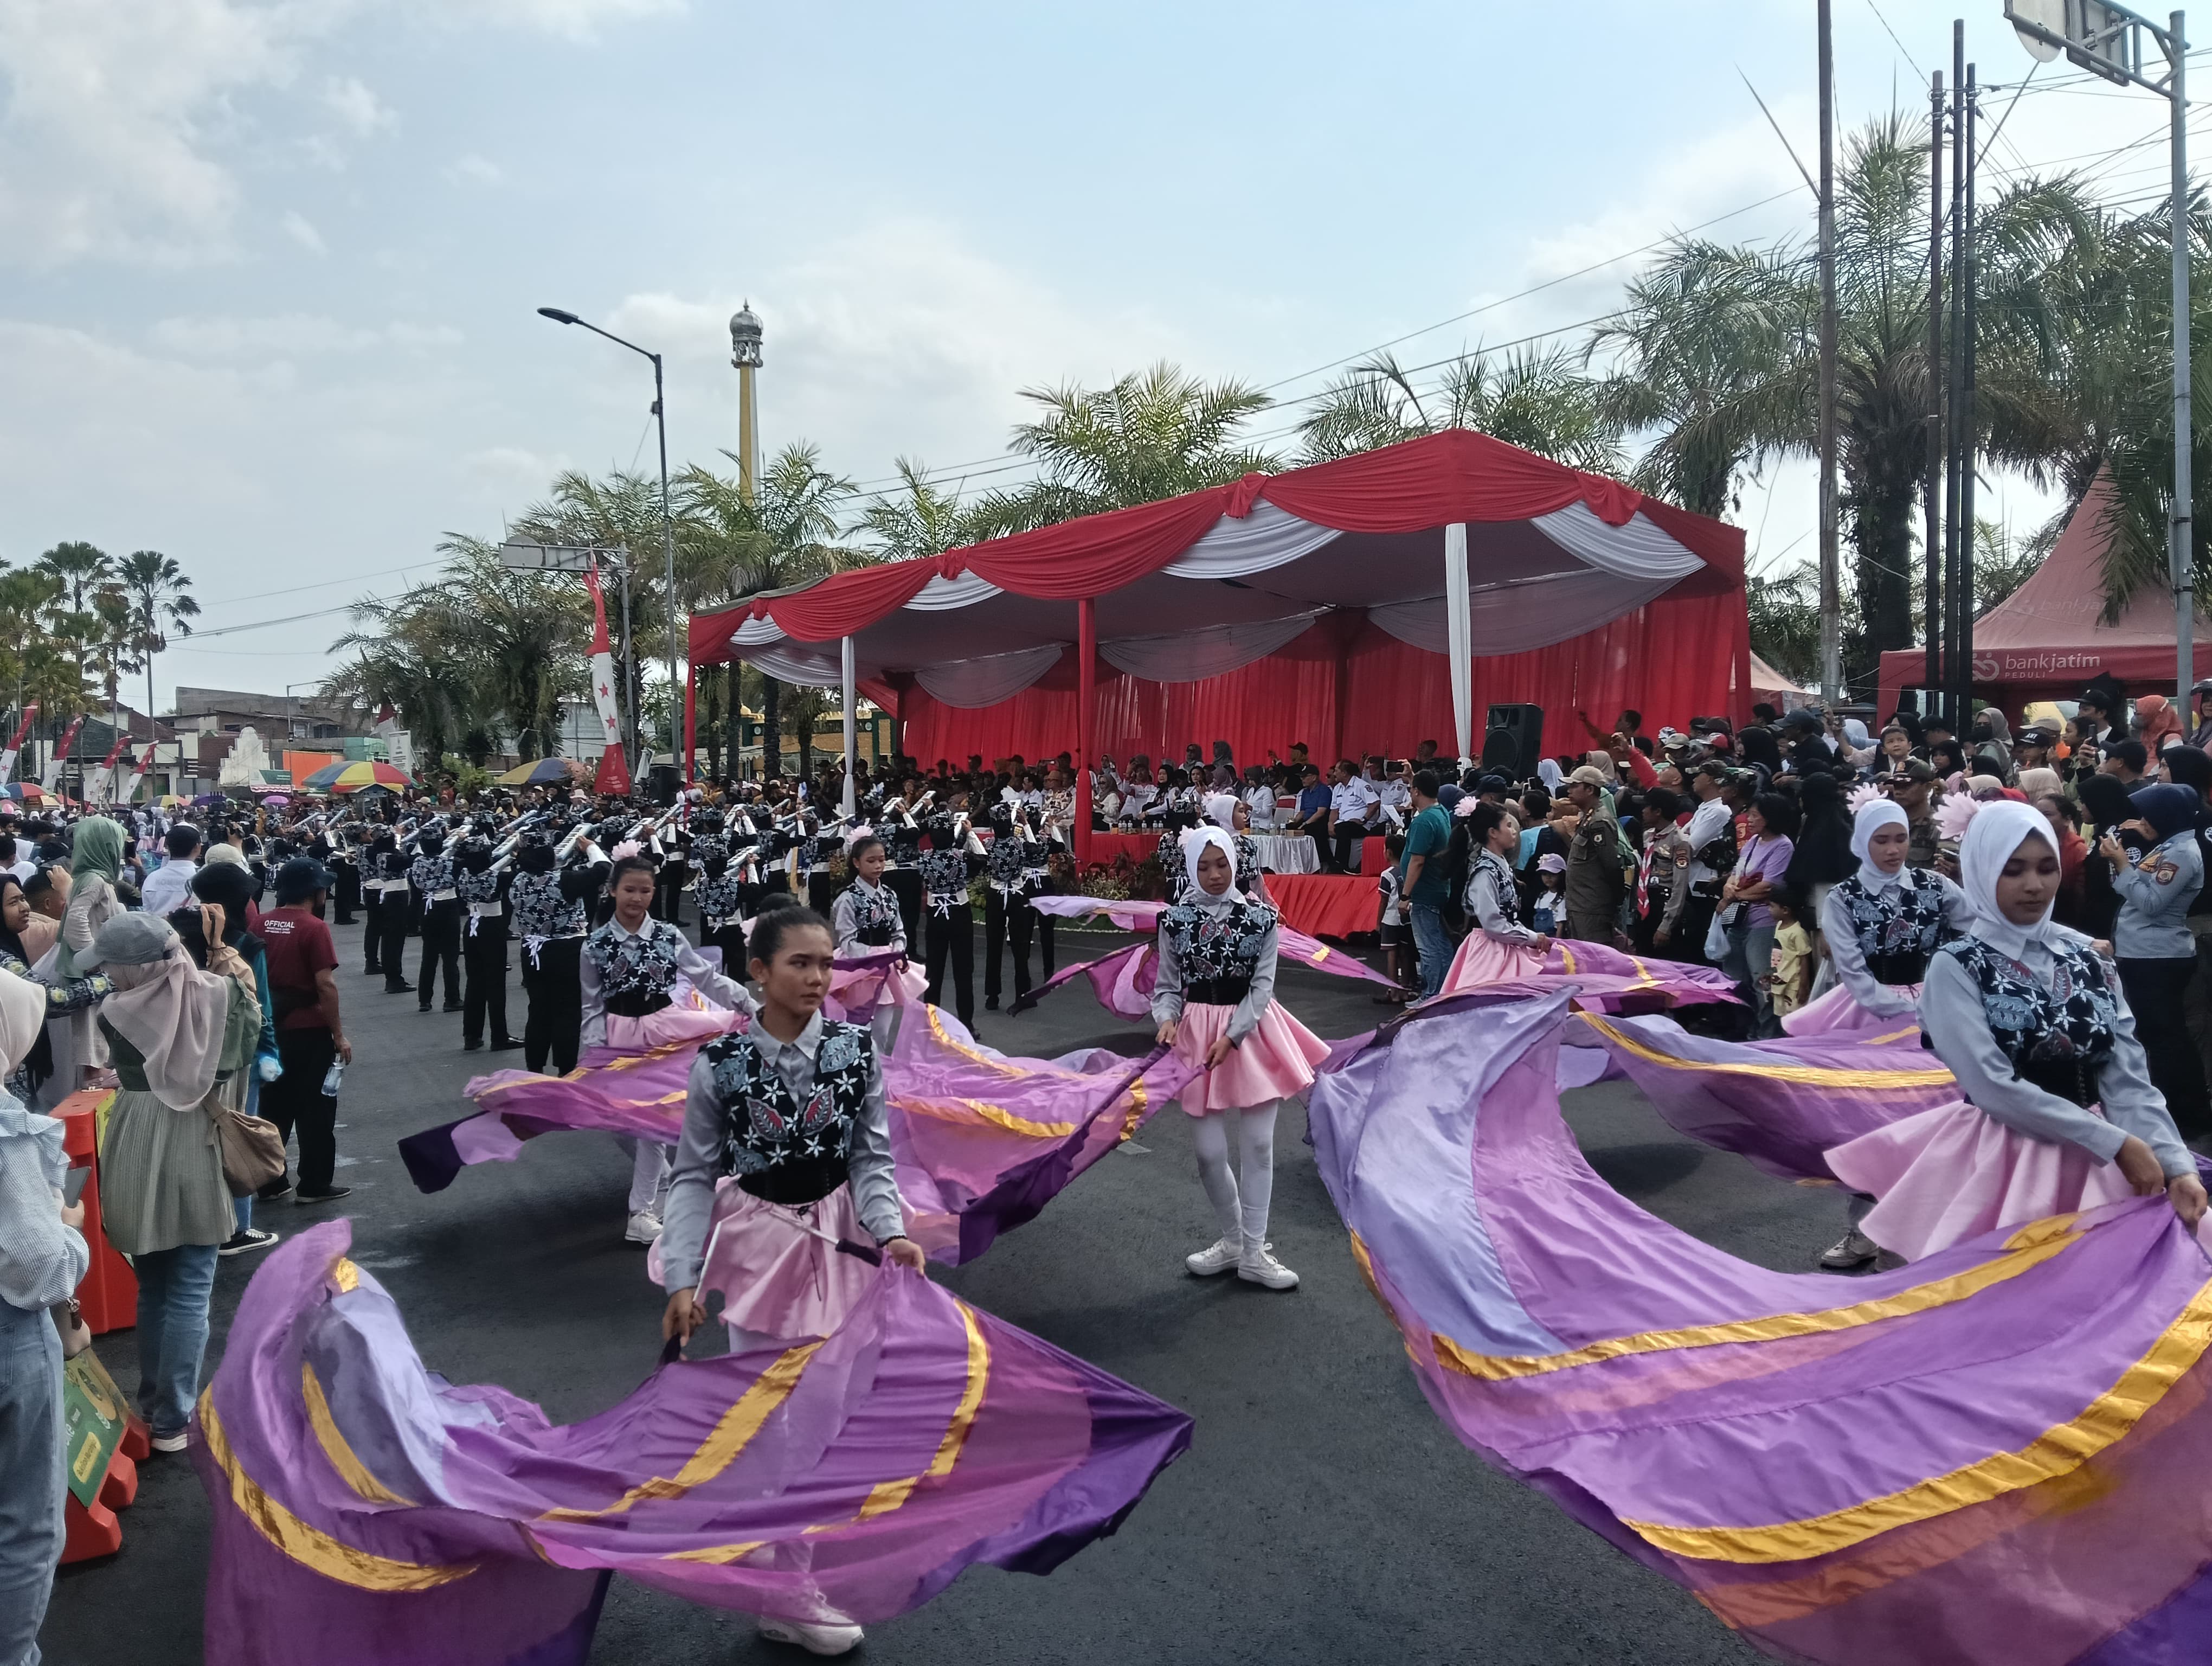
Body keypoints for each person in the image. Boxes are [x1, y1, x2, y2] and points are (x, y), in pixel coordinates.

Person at [659, 904, 924, 1661]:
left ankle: (784, 1559)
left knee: (828, 1419)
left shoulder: (854, 1049)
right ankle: (789, 1590)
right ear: (759, 972)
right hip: (758, 1251)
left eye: (826, 963)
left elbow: (872, 1157)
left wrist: (892, 1230)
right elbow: (690, 1179)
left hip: (841, 1245)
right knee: (778, 1425)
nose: (817, 977)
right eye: (800, 964)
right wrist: (683, 1279)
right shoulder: (719, 1065)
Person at [1828, 802, 2208, 1261]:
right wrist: (2115, 1142)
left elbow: (2127, 1076)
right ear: (1983, 870)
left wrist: (2176, 1164)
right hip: (2006, 1159)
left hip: (2103, 1163)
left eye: (2048, 868)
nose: (2035, 885)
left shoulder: (2087, 961)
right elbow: (1992, 1084)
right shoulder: (1958, 966)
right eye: (2014, 871)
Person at [81, 913, 256, 1452]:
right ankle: (173, 1420)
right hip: (196, 1136)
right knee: (190, 1287)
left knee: (154, 1284)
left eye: (112, 966)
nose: (108, 975)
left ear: (135, 969)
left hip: (135, 1138)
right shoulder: (222, 998)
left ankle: (156, 1406)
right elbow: (247, 1042)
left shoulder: (114, 1013)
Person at [1153, 827, 1326, 1292]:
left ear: (1235, 863)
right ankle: (1232, 1241)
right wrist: (1167, 1018)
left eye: (1222, 864)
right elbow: (1168, 986)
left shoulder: (1262, 919)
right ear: (1190, 868)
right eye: (1204, 866)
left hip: (1252, 1032)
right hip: (1195, 1035)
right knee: (1209, 1154)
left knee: (1259, 1147)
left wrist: (1233, 1035)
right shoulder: (1174, 920)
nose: (1214, 874)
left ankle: (1254, 1250)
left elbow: (1263, 986)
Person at [583, 855, 754, 1246]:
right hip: (619, 1037)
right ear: (612, 891)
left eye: (645, 891)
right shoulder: (594, 945)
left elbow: (706, 977)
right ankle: (661, 1189)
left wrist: (748, 1004)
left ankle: (641, 1212)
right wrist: (593, 1055)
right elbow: (591, 1005)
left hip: (667, 1032)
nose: (637, 898)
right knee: (624, 1124)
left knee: (654, 1127)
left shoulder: (667, 935)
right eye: (629, 890)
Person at [0, 972, 88, 1666]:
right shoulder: (8, 1131)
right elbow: (36, 1266)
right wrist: (72, 1231)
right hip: (8, 1337)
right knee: (27, 1525)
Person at [2101, 783, 2211, 1142]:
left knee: (2166, 1038)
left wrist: (2121, 863)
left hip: (2159, 957)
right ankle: (2185, 1108)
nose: (2142, 822)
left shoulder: (2182, 852)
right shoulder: (2168, 846)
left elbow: (2150, 903)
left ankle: (2183, 1113)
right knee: (2161, 1035)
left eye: (2149, 815)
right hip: (2143, 953)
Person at [189, 861, 283, 1256]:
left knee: (202, 1140)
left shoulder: (184, 936)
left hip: (193, 1054)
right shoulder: (247, 945)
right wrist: (270, 1052)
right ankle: (238, 1227)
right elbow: (261, 1008)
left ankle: (204, 1220)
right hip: (241, 1057)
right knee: (238, 1136)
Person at [256, 858, 353, 1209]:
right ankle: (313, 1184)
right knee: (316, 1111)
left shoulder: (261, 923)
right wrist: (339, 1035)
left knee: (272, 1109)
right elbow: (325, 986)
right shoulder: (314, 928)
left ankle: (269, 1181)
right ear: (314, 891)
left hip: (270, 1031)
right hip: (309, 1033)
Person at [509, 828, 610, 1077]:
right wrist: (591, 849)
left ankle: (534, 1067)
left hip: (532, 951)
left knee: (539, 1010)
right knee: (567, 1011)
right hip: (567, 951)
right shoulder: (563, 880)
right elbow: (604, 870)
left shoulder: (517, 880)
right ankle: (566, 1069)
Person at [828, 835, 925, 1043]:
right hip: (857, 967)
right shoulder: (847, 898)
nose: (878, 865)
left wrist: (897, 952)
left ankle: (879, 1072)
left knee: (881, 1033)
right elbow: (846, 940)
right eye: (871, 861)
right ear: (856, 862)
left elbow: (899, 931)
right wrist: (874, 958)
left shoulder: (889, 894)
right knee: (856, 1030)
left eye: (881, 860)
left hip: (886, 964)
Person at [1719, 792, 1798, 1037]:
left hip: (1762, 922)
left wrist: (1734, 896)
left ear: (1770, 818)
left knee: (1762, 979)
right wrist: (1729, 887)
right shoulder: (1753, 843)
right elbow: (1737, 872)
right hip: (1739, 919)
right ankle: (1743, 1029)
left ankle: (1767, 1034)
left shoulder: (1783, 845)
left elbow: (1769, 885)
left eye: (1755, 815)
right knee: (1735, 978)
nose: (1750, 820)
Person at [453, 832, 519, 1053]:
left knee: (474, 982)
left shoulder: (463, 874)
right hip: (492, 927)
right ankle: (499, 1035)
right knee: (496, 984)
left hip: (471, 926)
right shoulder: (497, 878)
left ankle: (471, 1035)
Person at [917, 815, 986, 1027]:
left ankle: (931, 1023)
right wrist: (970, 834)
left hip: (935, 913)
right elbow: (983, 858)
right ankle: (967, 1023)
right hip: (959, 912)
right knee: (963, 971)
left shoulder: (924, 858)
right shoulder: (961, 856)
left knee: (934, 971)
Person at [1396, 770, 1454, 1000]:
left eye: (1412, 789)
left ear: (1417, 792)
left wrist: (1405, 895)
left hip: (1423, 893)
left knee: (1428, 948)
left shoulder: (1423, 822)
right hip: (1438, 889)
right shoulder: (1441, 813)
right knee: (1440, 944)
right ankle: (1445, 990)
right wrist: (1413, 778)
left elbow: (1417, 861)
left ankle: (1431, 995)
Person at [1561, 766, 1625, 944]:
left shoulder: (1599, 822)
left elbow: (1612, 865)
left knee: (1594, 960)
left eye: (1575, 786)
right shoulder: (1588, 818)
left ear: (1590, 789)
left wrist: (1614, 901)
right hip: (1580, 905)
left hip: (1592, 907)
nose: (1569, 790)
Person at [408, 822, 464, 1014]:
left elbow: (415, 889)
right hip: (448, 906)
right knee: (450, 956)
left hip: (427, 907)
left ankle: (425, 1000)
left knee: (429, 955)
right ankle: (452, 998)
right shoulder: (450, 862)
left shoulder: (416, 863)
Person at [1764, 890, 1814, 1022]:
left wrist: (1804, 986)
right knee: (1783, 1017)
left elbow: (1805, 959)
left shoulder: (1798, 933)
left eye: (1772, 907)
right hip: (1780, 981)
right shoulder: (1779, 926)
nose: (1769, 910)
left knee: (1794, 1018)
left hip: (1794, 985)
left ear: (1785, 910)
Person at [1325, 759, 1378, 874]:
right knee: (1319, 830)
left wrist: (1364, 819)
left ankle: (1341, 865)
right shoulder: (1337, 788)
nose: (1334, 774)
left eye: (1337, 771)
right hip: (1341, 823)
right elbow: (1334, 810)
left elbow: (1375, 803)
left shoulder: (1361, 785)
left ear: (1344, 773)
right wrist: (1330, 824)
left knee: (1343, 828)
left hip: (1360, 826)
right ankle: (1329, 863)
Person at [138, 823, 201, 918]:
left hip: (158, 930)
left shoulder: (152, 878)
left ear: (167, 847)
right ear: (197, 847)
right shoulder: (203, 877)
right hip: (194, 931)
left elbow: (147, 914)